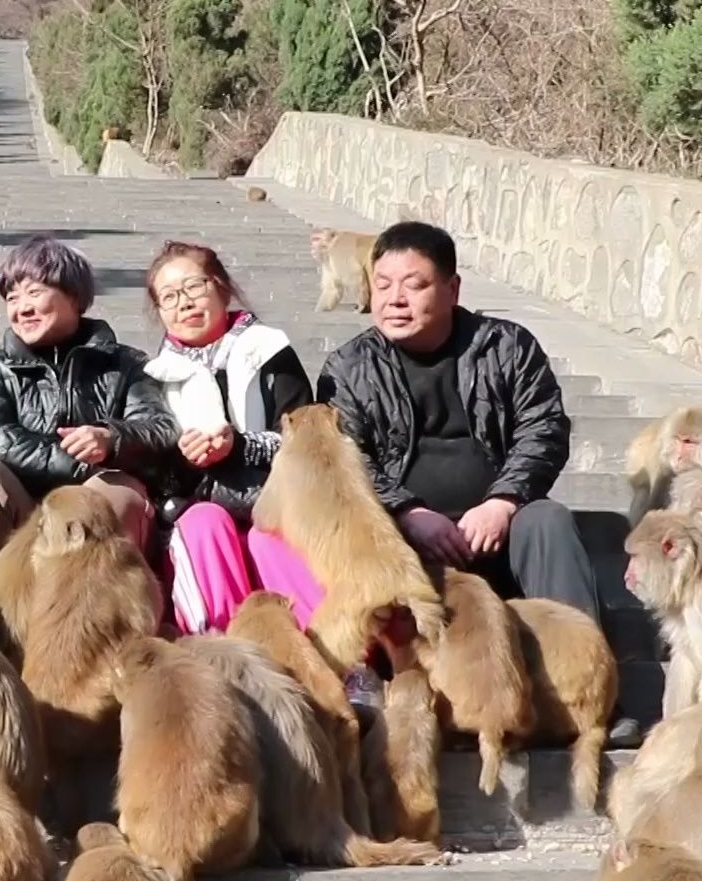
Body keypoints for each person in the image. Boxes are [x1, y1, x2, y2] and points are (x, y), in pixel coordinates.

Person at [316, 221, 599, 618]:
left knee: (547, 520)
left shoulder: (506, 347)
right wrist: (407, 512)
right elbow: (345, 458)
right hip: (401, 535)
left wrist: (503, 502)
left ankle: (577, 662)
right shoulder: (348, 367)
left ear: (452, 290)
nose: (395, 299)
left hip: (499, 526)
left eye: (414, 286)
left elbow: (543, 429)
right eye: (382, 285)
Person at [0, 234, 178, 570]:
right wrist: (79, 462)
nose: (22, 308)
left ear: (74, 296)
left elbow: (161, 430)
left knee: (115, 489)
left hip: (97, 512)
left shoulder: (127, 364)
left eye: (34, 293)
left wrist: (111, 440)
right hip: (23, 513)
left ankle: (94, 617)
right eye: (12, 298)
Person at [142, 240, 321, 632]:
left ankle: (338, 658)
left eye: (194, 287)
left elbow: (303, 438)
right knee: (203, 524)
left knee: (270, 535)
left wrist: (238, 446)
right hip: (202, 505)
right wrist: (187, 460)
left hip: (277, 497)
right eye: (169, 297)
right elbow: (155, 467)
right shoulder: (155, 377)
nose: (184, 304)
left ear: (221, 287)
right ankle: (224, 653)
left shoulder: (270, 351)